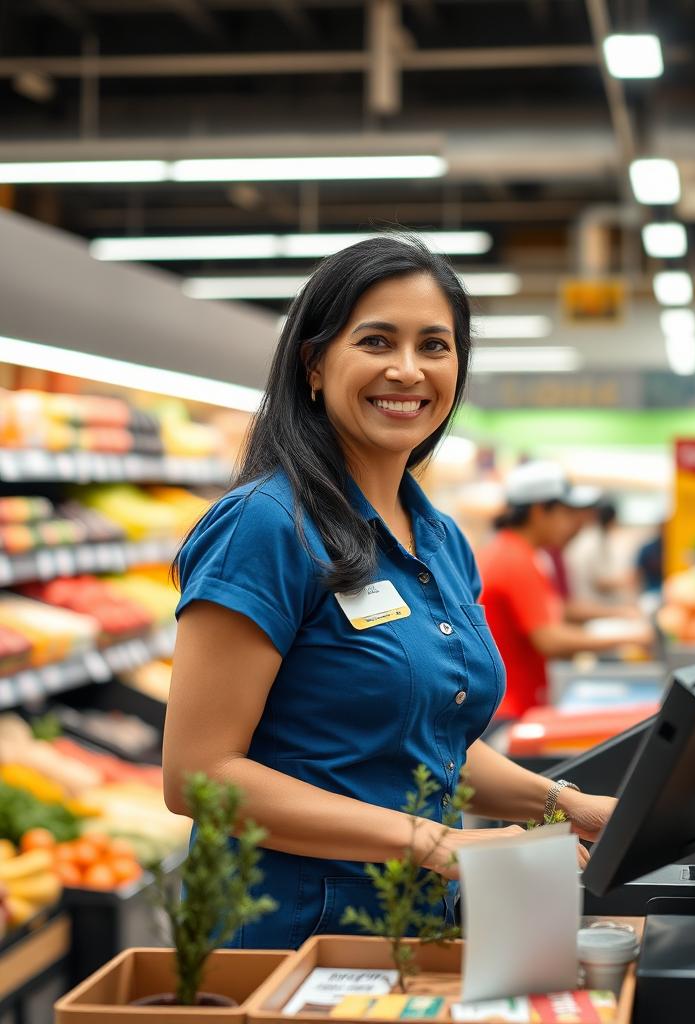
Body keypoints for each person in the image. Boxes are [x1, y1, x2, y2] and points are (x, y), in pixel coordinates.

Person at [162, 236, 615, 950]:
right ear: (314, 366)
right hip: (287, 941)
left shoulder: (440, 540)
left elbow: (429, 745)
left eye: (434, 346)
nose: (407, 370)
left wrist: (562, 802)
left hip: (410, 930)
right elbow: (198, 777)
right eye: (376, 341)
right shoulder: (266, 527)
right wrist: (439, 844)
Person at [478, 462, 650, 720]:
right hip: (509, 711)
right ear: (539, 510)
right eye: (567, 513)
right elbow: (550, 639)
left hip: (511, 704)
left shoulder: (515, 551)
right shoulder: (514, 560)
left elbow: (556, 608)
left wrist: (617, 614)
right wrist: (627, 638)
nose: (574, 524)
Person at [565, 500, 639, 606]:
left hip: (592, 602)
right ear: (612, 520)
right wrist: (624, 581)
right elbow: (600, 582)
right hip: (590, 603)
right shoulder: (593, 540)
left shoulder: (592, 537)